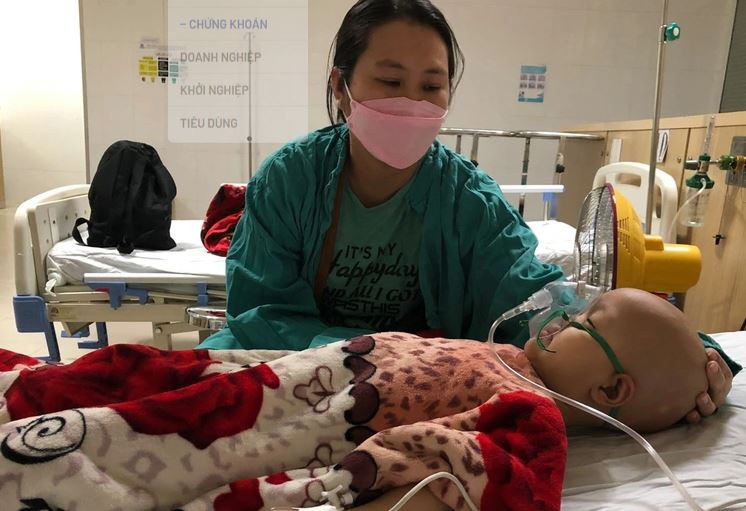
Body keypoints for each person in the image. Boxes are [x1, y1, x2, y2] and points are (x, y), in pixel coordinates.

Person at [197, 0, 735, 423]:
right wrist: (365, 353)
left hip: (419, 382)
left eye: (431, 86)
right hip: (305, 365)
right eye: (390, 82)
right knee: (202, 384)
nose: (413, 102)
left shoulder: (466, 198)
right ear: (342, 87)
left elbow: (534, 301)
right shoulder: (292, 179)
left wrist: (692, 355)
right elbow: (260, 315)